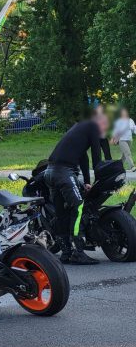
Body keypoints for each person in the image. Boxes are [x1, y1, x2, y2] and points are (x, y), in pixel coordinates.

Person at [45, 112, 110, 265]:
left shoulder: (79, 127)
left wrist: (87, 182)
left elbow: (83, 158)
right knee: (79, 207)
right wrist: (99, 180)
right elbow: (96, 156)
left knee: (62, 213)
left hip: (50, 172)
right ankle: (78, 251)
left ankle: (66, 252)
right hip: (64, 173)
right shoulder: (94, 127)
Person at [112, 107, 136, 172]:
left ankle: (117, 167)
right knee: (127, 153)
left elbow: (134, 129)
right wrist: (114, 138)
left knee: (124, 155)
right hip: (122, 139)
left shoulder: (130, 120)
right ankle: (132, 166)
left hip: (129, 139)